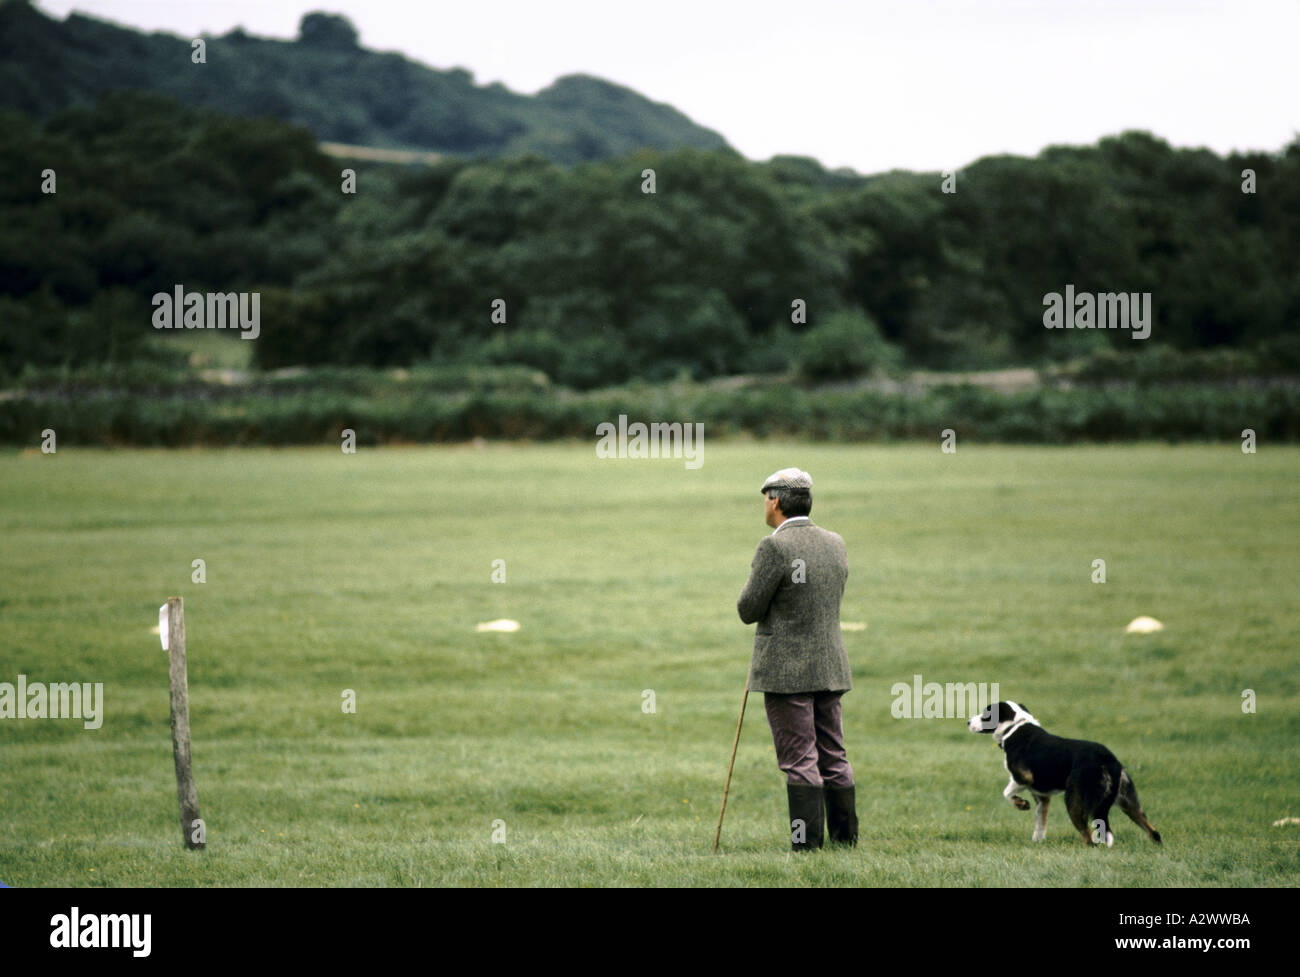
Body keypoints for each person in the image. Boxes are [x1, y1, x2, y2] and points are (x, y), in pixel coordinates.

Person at [737, 467, 857, 850]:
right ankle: (844, 842)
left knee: (799, 760)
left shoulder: (774, 546)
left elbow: (748, 608)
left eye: (765, 499)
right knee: (833, 756)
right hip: (830, 665)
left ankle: (807, 849)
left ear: (775, 500)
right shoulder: (835, 542)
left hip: (788, 672)